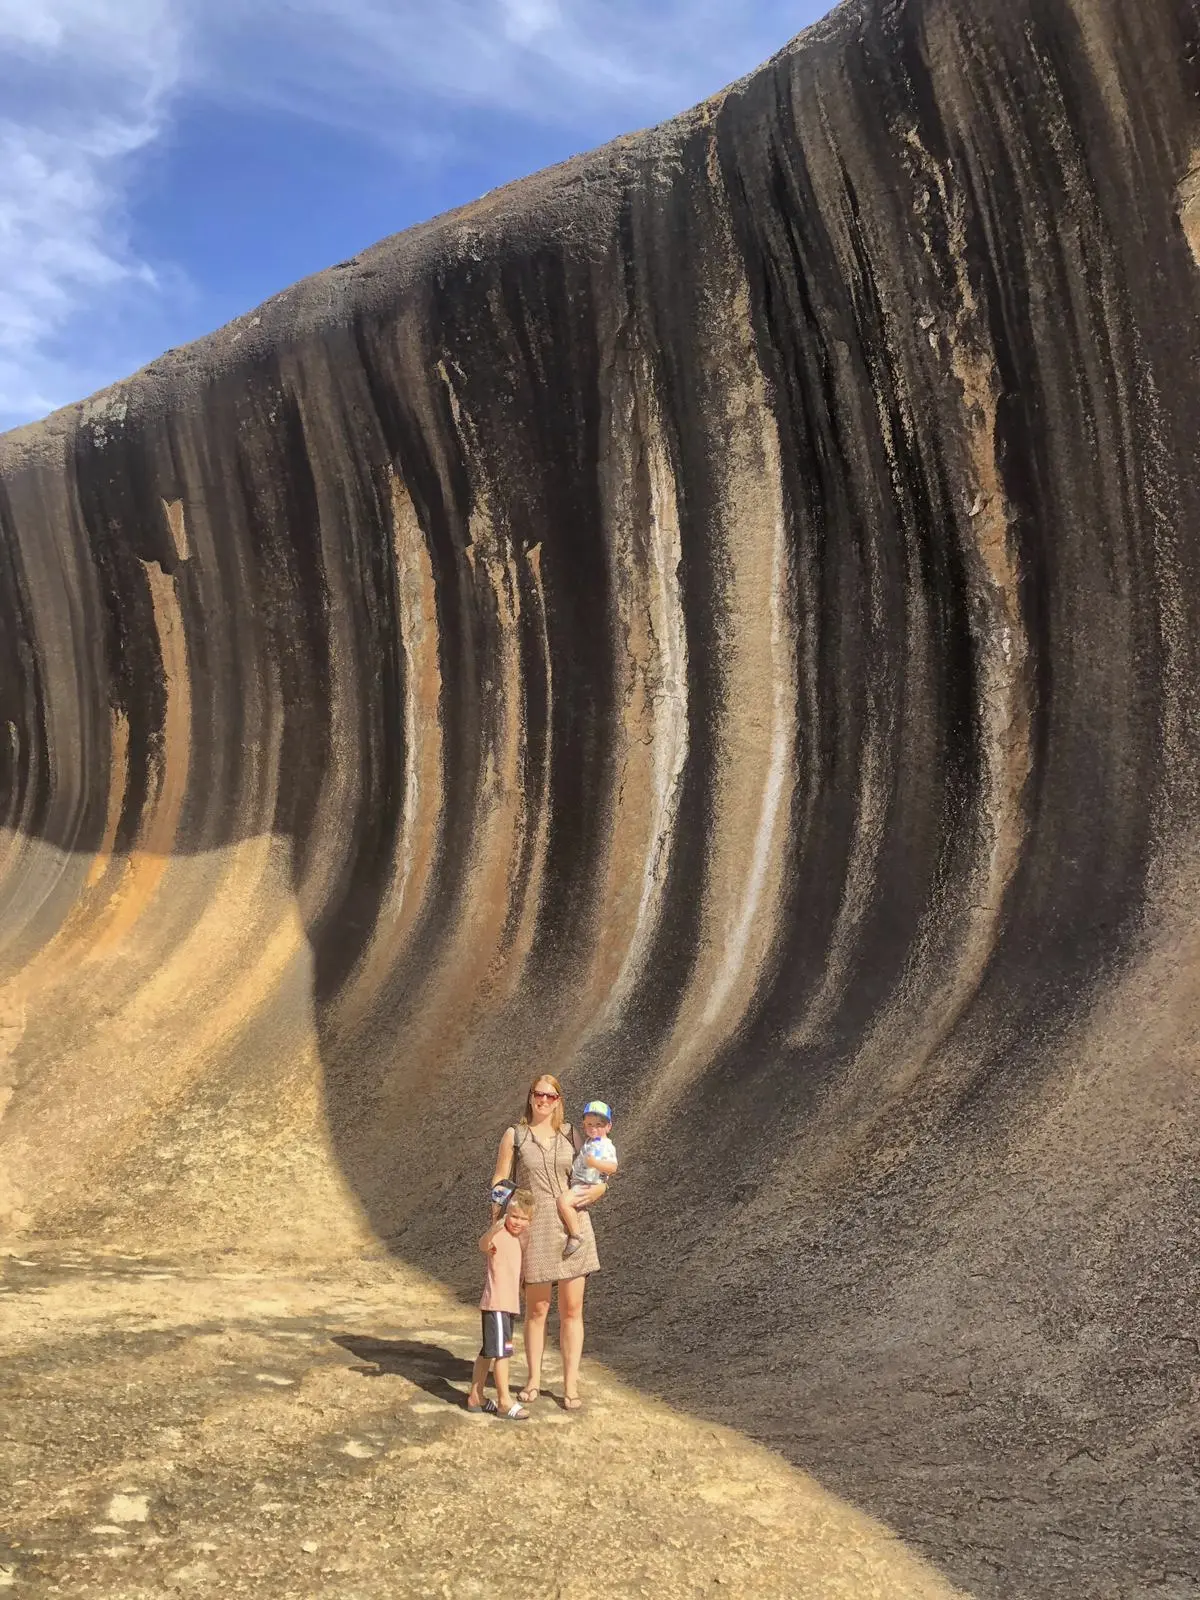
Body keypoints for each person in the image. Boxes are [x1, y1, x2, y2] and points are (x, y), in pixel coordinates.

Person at [488, 1074, 598, 1411]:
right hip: (534, 1228)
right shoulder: (516, 1135)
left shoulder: (571, 1134)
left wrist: (598, 1190)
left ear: (558, 1100)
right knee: (537, 1310)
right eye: (539, 1094)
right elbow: (500, 1178)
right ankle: (533, 1379)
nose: (544, 1101)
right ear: (530, 1097)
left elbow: (591, 1174)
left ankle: (570, 1384)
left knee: (572, 1310)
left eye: (551, 1096)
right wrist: (498, 1218)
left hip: (573, 1225)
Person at [466, 1189, 533, 1420]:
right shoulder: (499, 1234)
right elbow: (483, 1244)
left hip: (507, 1305)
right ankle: (504, 1402)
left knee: (489, 1351)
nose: (518, 1222)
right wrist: (494, 1227)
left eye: (524, 1218)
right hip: (497, 1304)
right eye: (514, 1216)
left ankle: (476, 1397)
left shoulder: (518, 1240)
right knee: (503, 1354)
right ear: (506, 1215)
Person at [557, 1100, 618, 1258]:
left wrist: (595, 1164)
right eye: (590, 1124)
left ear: (608, 1126)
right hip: (579, 1181)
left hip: (587, 1184)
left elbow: (612, 1167)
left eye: (599, 1125)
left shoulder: (606, 1146)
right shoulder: (590, 1142)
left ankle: (576, 1235)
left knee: (563, 1202)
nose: (593, 1128)